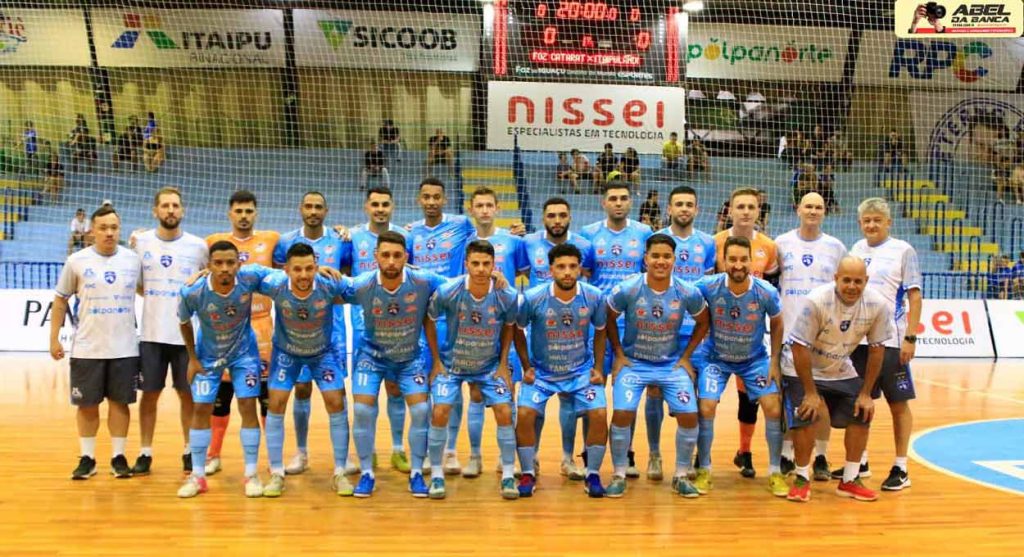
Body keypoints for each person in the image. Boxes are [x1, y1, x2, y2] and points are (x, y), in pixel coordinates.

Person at [604, 234, 711, 498]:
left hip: (670, 365)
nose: (661, 261)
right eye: (655, 256)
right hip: (634, 363)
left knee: (689, 415)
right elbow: (607, 317)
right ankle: (619, 474)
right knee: (622, 413)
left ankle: (681, 475)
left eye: (666, 256)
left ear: (674, 259)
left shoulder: (687, 291)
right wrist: (618, 354)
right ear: (645, 259)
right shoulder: (628, 288)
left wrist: (685, 357)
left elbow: (704, 321)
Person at [343, 231, 447, 497]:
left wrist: (494, 278)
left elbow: (459, 285)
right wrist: (321, 272)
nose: (391, 261)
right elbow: (328, 288)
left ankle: (416, 473)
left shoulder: (423, 280)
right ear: (375, 256)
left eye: (397, 255)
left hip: (409, 358)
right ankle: (367, 473)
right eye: (385, 255)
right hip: (371, 357)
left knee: (422, 410)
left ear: (406, 257)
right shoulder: (363, 284)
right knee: (362, 411)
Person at [783, 257, 893, 503]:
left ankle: (850, 480)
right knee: (807, 413)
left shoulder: (877, 304)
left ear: (866, 281)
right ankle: (801, 478)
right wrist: (810, 393)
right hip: (801, 368)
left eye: (858, 281)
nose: (852, 286)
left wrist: (866, 394)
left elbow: (877, 349)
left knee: (862, 411)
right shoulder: (817, 301)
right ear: (836, 279)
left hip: (840, 368)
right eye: (846, 280)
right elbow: (799, 347)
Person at [50, 205, 142, 480]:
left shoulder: (133, 260)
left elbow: (147, 290)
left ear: (119, 229)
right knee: (87, 405)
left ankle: (118, 457)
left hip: (125, 347)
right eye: (103, 228)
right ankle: (88, 458)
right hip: (87, 347)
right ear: (92, 231)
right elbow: (60, 299)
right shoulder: (76, 261)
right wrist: (53, 338)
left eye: (114, 227)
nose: (109, 233)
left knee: (119, 404)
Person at [692, 235, 787, 497]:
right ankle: (704, 469)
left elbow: (778, 322)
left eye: (743, 259)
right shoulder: (708, 286)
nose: (737, 265)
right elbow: (681, 296)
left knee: (773, 407)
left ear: (750, 261)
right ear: (723, 261)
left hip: (753, 360)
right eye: (732, 259)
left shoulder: (765, 291)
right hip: (715, 359)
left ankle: (775, 471)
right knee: (706, 406)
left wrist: (775, 361)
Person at [176, 241, 271, 498]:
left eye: (230, 262)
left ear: (239, 264)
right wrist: (192, 359)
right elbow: (183, 322)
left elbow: (285, 275)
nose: (225, 268)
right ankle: (197, 477)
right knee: (200, 408)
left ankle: (251, 474)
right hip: (208, 356)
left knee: (248, 405)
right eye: (218, 263)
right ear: (208, 265)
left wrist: (318, 270)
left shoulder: (249, 278)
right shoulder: (192, 292)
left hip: (244, 355)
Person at [514, 243, 609, 498]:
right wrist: (526, 366)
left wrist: (598, 368)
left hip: (580, 372)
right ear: (550, 270)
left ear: (580, 269)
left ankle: (593, 474)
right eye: (561, 267)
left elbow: (601, 331)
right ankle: (528, 472)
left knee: (599, 413)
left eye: (572, 266)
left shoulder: (594, 296)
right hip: (542, 374)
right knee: (524, 413)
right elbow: (517, 330)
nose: (567, 272)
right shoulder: (533, 297)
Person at [426, 240, 519, 499]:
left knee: (504, 410)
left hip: (488, 367)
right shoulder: (449, 291)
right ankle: (436, 474)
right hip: (452, 365)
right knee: (440, 410)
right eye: (475, 263)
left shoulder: (506, 295)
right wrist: (436, 361)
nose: (480, 269)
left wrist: (503, 364)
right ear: (466, 264)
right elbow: (429, 318)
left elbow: (510, 326)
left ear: (494, 265)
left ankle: (508, 475)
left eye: (486, 264)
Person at [257, 243, 352, 498]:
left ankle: (340, 471)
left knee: (336, 401)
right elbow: (247, 272)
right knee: (276, 402)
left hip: (322, 353)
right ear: (286, 270)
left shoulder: (328, 283)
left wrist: (404, 272)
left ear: (317, 268)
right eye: (297, 269)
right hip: (287, 353)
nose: (303, 275)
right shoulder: (275, 283)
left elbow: (363, 286)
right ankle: (277, 473)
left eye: (309, 269)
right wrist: (207, 273)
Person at [131, 187, 209, 476]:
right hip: (151, 334)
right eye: (165, 205)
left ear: (183, 210)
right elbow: (139, 285)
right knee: (149, 395)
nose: (171, 210)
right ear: (155, 211)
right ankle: (145, 452)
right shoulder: (141, 243)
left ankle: (189, 450)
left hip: (185, 337)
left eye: (175, 205)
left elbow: (206, 281)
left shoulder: (198, 246)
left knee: (187, 395)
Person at [272, 192, 349, 477]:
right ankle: (301, 452)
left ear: (326, 210)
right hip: (296, 328)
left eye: (318, 207)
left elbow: (346, 276)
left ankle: (343, 458)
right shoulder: (285, 242)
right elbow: (278, 277)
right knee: (301, 388)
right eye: (308, 206)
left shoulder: (340, 239)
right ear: (300, 209)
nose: (313, 211)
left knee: (337, 392)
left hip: (333, 328)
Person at [847, 197, 923, 490]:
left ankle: (901, 467)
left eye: (877, 220)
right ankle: (860, 461)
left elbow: (914, 296)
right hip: (859, 342)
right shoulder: (856, 249)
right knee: (860, 400)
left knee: (898, 403)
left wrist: (910, 337)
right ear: (860, 223)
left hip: (891, 340)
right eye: (867, 220)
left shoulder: (903, 250)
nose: (872, 225)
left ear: (888, 222)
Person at [203, 191, 280, 476]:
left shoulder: (272, 240)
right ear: (230, 213)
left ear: (256, 213)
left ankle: (273, 459)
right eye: (239, 211)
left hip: (262, 329)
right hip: (225, 330)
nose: (244, 216)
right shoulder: (213, 242)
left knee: (265, 398)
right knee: (221, 396)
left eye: (249, 211)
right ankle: (213, 455)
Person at [580, 181, 653, 479]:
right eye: (613, 198)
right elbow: (585, 274)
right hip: (597, 325)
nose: (618, 203)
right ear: (604, 202)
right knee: (592, 390)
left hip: (631, 326)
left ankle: (627, 452)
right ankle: (588, 451)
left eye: (623, 198)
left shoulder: (644, 233)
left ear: (630, 202)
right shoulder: (588, 234)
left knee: (627, 393)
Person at [774, 192, 848, 481]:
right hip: (791, 334)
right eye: (808, 206)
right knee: (790, 399)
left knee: (822, 400)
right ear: (798, 210)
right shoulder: (781, 243)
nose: (813, 211)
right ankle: (786, 454)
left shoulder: (836, 247)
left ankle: (821, 457)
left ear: (824, 212)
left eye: (818, 207)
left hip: (825, 337)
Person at [409, 177, 478, 475]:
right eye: (426, 197)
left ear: (445, 199)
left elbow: (487, 235)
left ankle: (450, 450)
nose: (431, 202)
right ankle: (426, 450)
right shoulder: (411, 233)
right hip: (420, 319)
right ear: (419, 200)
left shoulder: (462, 225)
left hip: (453, 319)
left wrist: (514, 230)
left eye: (436, 197)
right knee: (423, 386)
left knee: (452, 384)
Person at [522, 197, 595, 476]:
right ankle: (532, 457)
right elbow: (520, 270)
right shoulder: (528, 242)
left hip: (573, 328)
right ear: (543, 218)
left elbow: (589, 277)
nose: (557, 220)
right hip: (540, 330)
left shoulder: (584, 245)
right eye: (551, 215)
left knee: (569, 398)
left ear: (570, 217)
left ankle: (568, 458)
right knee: (535, 400)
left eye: (562, 215)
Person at [343, 186, 414, 475]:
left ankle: (397, 449)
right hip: (363, 327)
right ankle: (368, 450)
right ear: (366, 207)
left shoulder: (405, 236)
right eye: (375, 204)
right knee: (366, 395)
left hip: (397, 326)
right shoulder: (351, 237)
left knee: (396, 390)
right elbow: (344, 274)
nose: (380, 209)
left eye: (385, 204)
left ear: (392, 207)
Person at [713, 187, 779, 478]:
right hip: (718, 334)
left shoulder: (769, 246)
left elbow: (773, 286)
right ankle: (700, 456)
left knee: (748, 397)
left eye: (751, 207)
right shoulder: (715, 243)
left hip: (751, 335)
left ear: (758, 211)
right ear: (730, 210)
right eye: (740, 206)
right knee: (707, 399)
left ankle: (745, 452)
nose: (746, 212)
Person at [467, 187, 529, 476]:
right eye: (479, 205)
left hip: (506, 325)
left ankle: (509, 458)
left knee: (509, 391)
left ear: (497, 208)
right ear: (471, 209)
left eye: (489, 205)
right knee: (475, 392)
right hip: (474, 326)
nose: (484, 210)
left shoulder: (514, 241)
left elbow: (528, 274)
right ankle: (474, 456)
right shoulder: (464, 241)